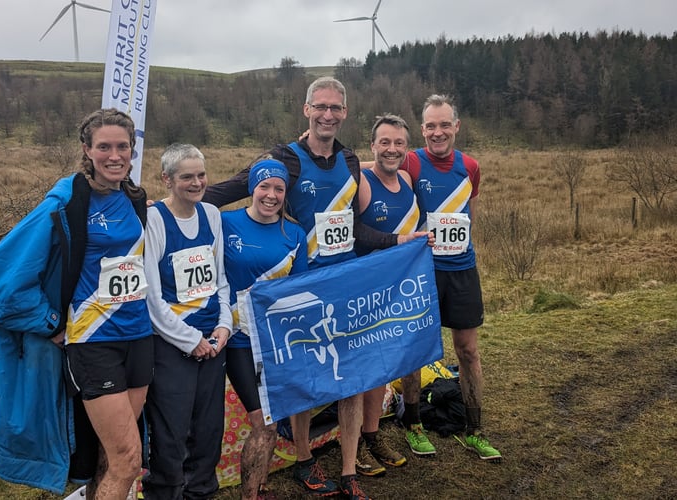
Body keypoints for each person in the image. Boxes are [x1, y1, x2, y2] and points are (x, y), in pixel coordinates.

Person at [203, 76, 428, 500]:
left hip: (344, 283)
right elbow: (231, 189)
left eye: (335, 108)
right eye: (320, 107)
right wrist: (171, 207)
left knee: (348, 379)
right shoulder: (283, 159)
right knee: (305, 381)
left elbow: (357, 227)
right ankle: (305, 458)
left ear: (344, 113)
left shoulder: (350, 162)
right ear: (306, 110)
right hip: (300, 287)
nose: (328, 115)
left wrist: (399, 241)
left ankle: (347, 471)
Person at [0, 108, 154, 499]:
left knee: (110, 457)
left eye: (122, 147)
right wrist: (50, 321)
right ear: (87, 150)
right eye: (104, 147)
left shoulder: (133, 198)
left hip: (139, 336)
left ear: (133, 150)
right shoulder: (66, 201)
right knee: (129, 459)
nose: (114, 155)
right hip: (94, 343)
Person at [398, 94, 502, 461]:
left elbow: (468, 218)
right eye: (430, 126)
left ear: (456, 126)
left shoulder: (470, 167)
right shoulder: (410, 161)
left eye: (444, 125)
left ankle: (475, 430)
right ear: (422, 128)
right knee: (414, 352)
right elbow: (374, 165)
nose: (437, 132)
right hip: (421, 272)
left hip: (461, 270)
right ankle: (413, 425)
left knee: (468, 351)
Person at [142, 143, 233, 499]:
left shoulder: (211, 214)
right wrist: (189, 339)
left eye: (201, 175)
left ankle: (202, 493)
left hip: (213, 340)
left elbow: (220, 279)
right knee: (170, 435)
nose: (197, 183)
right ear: (167, 179)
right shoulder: (154, 221)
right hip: (172, 345)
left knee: (208, 431)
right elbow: (151, 296)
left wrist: (224, 325)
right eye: (186, 177)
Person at [221, 158, 308, 500]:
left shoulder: (295, 233)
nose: (271, 195)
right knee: (264, 423)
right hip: (235, 340)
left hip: (273, 344)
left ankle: (258, 485)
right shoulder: (224, 222)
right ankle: (250, 494)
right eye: (264, 187)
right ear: (252, 188)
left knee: (271, 421)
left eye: (279, 189)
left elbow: (298, 290)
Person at [354, 114, 420, 477]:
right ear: (373, 145)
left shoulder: (408, 178)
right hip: (366, 289)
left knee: (382, 367)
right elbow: (355, 231)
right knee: (363, 368)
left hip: (397, 290)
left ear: (405, 148)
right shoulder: (362, 182)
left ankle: (373, 433)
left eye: (398, 143)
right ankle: (357, 443)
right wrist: (395, 241)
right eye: (384, 142)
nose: (391, 149)